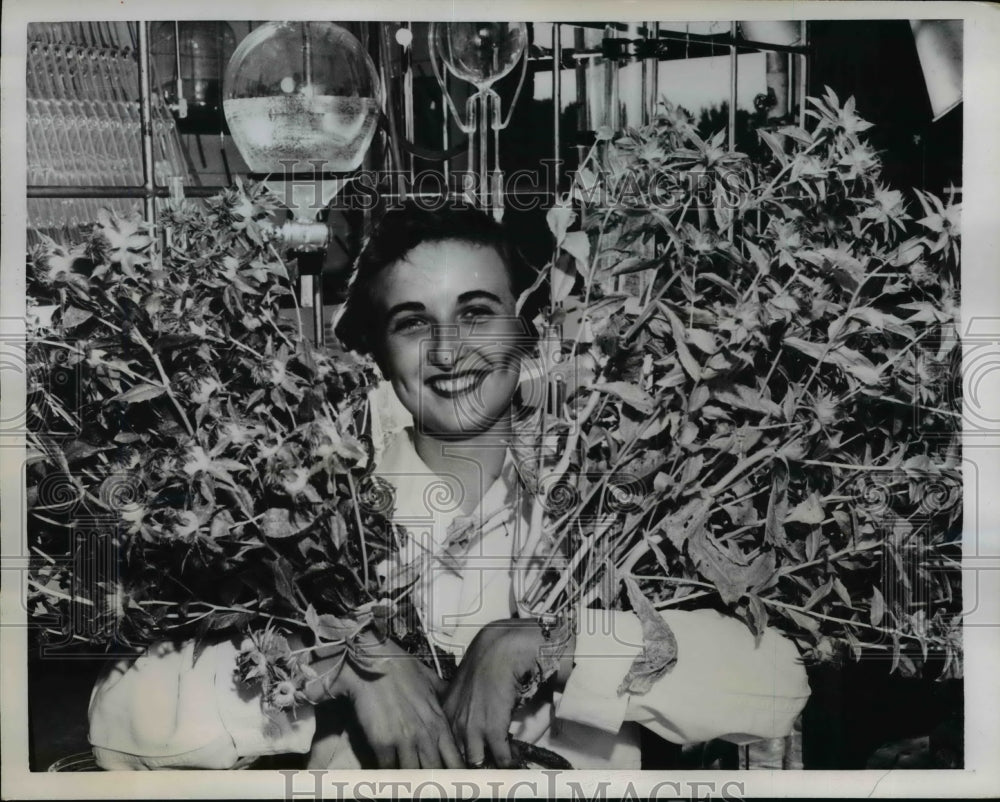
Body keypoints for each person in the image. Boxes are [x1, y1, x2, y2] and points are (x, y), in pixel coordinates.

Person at [88, 203, 810, 770]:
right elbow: (120, 723)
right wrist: (342, 670)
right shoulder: (312, 513)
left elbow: (776, 685)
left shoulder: (612, 490)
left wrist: (554, 644)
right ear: (377, 352)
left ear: (527, 326)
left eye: (476, 311)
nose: (448, 350)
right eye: (412, 323)